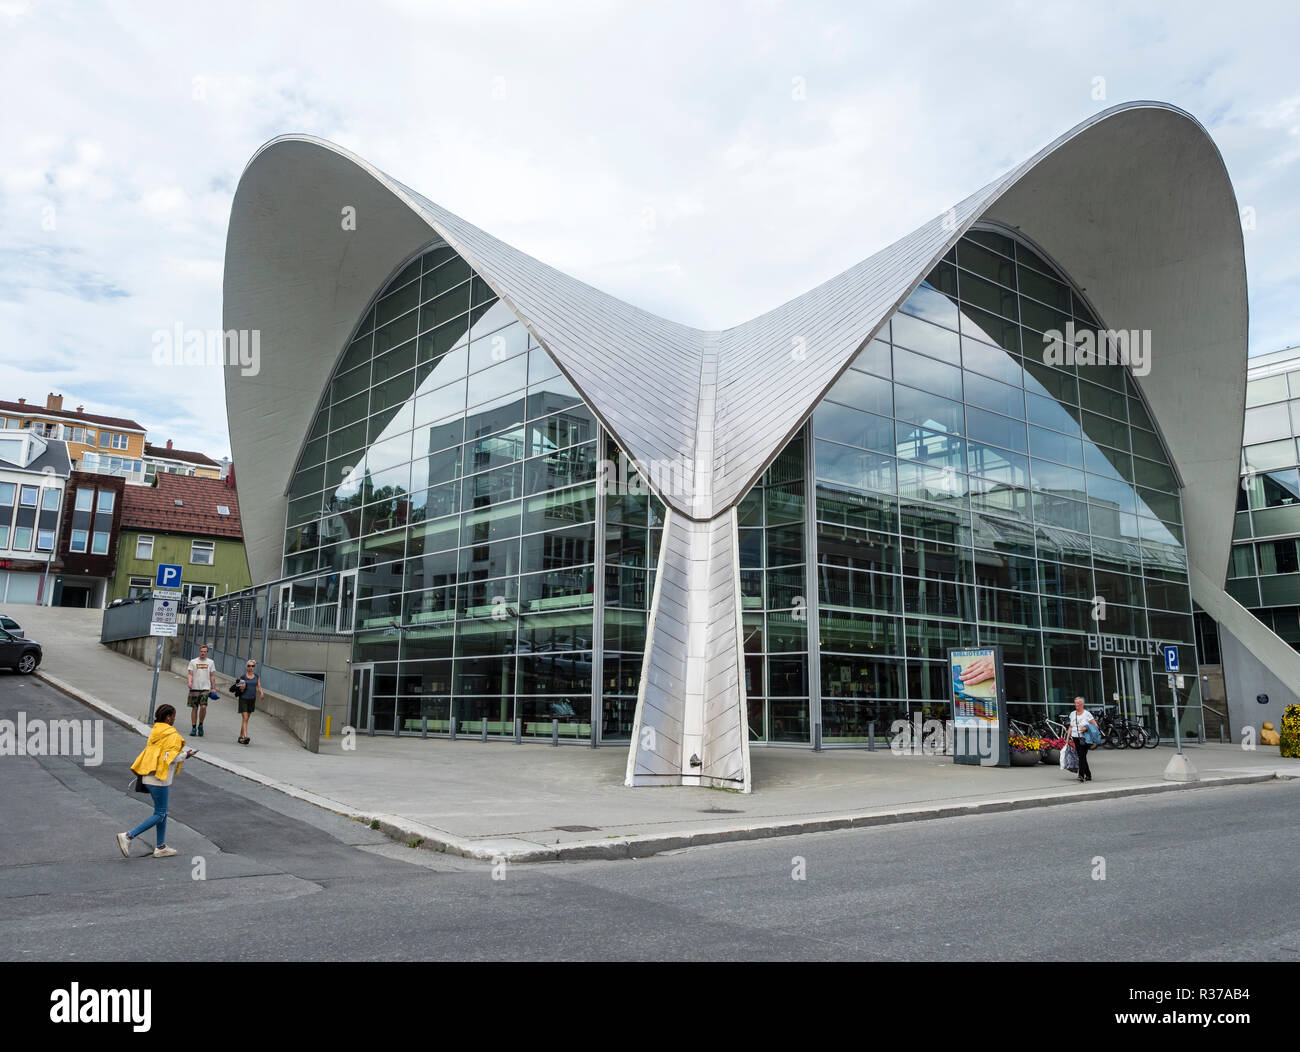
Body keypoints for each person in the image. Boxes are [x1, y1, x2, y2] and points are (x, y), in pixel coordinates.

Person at [117, 704, 196, 858]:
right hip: (159, 778)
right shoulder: (171, 734)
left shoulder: (156, 731)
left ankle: (161, 846)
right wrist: (185, 755)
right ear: (168, 717)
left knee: (162, 812)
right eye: (173, 716)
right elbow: (169, 757)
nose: (174, 718)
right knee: (160, 813)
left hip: (148, 774)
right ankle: (128, 836)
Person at [1067, 695, 1100, 783]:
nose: (1076, 705)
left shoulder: (1087, 714)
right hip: (1075, 737)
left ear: (1082, 704)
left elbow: (1095, 725)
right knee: (1082, 757)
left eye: (1078, 703)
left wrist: (1086, 728)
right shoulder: (1072, 714)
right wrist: (1067, 739)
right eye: (1075, 703)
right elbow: (1070, 727)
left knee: (1081, 756)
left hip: (1085, 738)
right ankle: (1088, 775)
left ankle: (1081, 775)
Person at [186, 643, 217, 736]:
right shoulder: (193, 661)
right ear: (199, 651)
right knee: (194, 708)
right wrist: (189, 682)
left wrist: (213, 688)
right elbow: (190, 673)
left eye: (205, 652)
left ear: (207, 652)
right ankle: (193, 727)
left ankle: (201, 725)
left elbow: (212, 676)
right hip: (194, 687)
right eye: (201, 651)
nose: (203, 653)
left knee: (203, 706)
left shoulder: (210, 662)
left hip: (205, 688)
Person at [233, 659, 264, 745]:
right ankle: (245, 737)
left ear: (254, 667)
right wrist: (241, 687)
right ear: (246, 667)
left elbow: (259, 686)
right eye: (249, 666)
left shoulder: (257, 676)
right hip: (243, 699)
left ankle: (240, 737)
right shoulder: (243, 677)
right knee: (245, 718)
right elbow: (238, 688)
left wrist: (261, 693)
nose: (251, 667)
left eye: (252, 666)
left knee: (246, 719)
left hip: (252, 699)